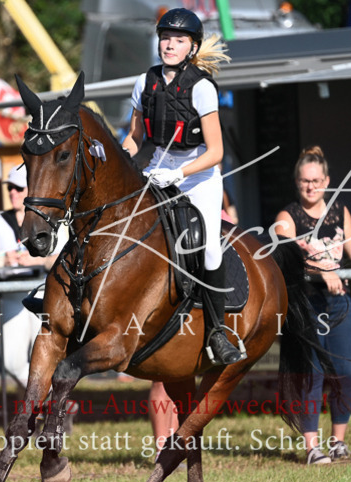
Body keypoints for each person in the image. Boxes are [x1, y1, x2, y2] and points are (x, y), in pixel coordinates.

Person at [121, 7, 244, 366]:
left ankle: (217, 333)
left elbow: (217, 151)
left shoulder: (202, 87)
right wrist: (119, 158)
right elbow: (134, 138)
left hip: (200, 172)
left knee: (208, 249)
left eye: (178, 40)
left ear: (191, 47)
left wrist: (181, 173)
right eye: (165, 38)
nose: (169, 45)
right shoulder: (144, 82)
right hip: (158, 163)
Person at [273, 146, 351, 465]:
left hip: (338, 303)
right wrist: (323, 269)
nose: (310, 186)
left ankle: (338, 442)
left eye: (316, 180)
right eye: (304, 181)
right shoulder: (287, 217)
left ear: (327, 181)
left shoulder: (339, 211)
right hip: (306, 304)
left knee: (346, 373)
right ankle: (312, 447)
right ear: (297, 182)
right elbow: (288, 252)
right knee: (311, 374)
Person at [0, 164, 60, 391]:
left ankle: (45, 407)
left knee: (45, 359)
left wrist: (37, 260)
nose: (13, 193)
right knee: (11, 362)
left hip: (43, 294)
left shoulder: (49, 218)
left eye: (18, 188)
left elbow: (63, 258)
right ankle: (51, 399)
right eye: (10, 189)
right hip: (11, 295)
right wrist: (2, 259)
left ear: (30, 189)